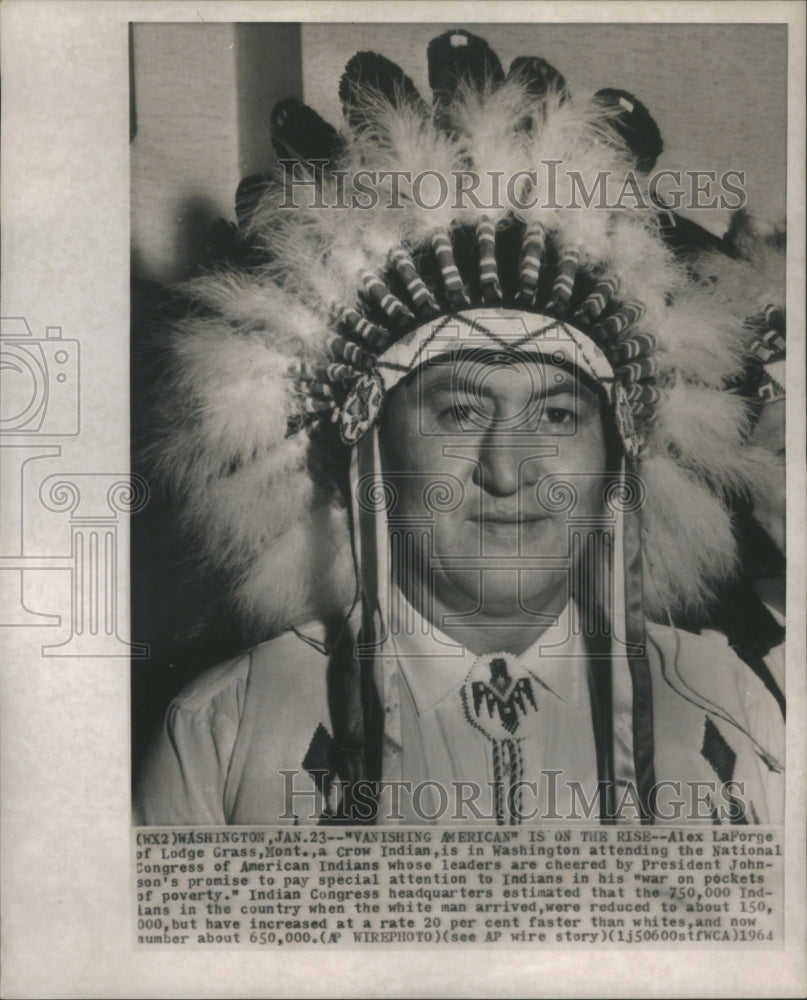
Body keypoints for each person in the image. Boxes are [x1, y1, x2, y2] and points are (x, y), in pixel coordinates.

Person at [133, 30, 785, 827]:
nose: (507, 470)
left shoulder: (728, 705)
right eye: (458, 411)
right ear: (361, 449)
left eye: (556, 414)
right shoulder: (226, 730)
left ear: (618, 457)